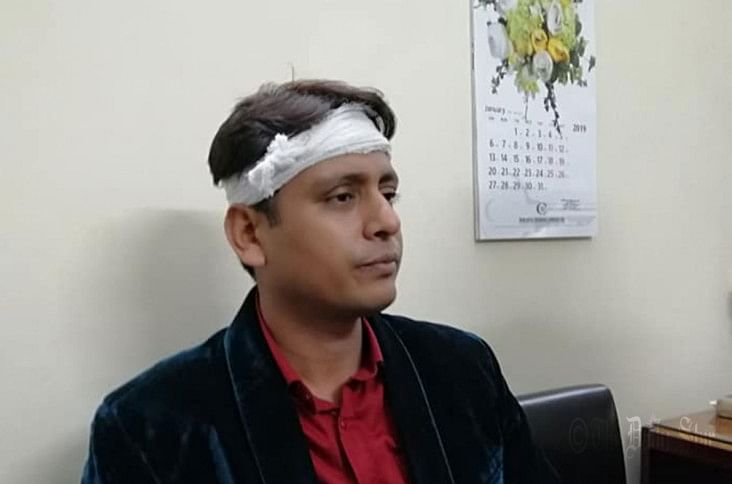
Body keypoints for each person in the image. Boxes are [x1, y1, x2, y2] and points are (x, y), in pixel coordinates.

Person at [80, 79, 560, 484]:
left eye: (388, 192)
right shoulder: (151, 427)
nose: (387, 221)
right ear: (250, 234)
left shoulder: (460, 369)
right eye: (342, 196)